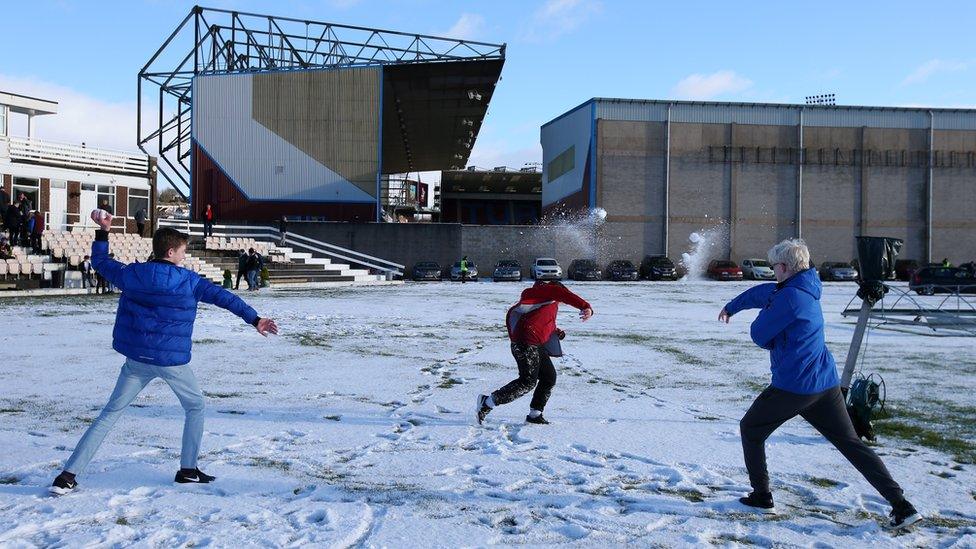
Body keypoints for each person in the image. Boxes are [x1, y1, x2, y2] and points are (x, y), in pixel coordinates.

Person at [49, 209, 278, 495]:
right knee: (195, 407)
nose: (184, 256)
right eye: (182, 251)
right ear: (170, 251)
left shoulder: (132, 274)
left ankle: (67, 476)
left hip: (137, 361)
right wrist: (255, 319)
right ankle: (188, 470)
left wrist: (103, 231)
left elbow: (100, 262)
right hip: (171, 362)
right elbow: (226, 299)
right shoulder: (189, 281)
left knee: (110, 413)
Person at [718, 238, 920, 530]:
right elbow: (764, 293)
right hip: (825, 385)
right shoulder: (804, 287)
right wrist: (733, 306)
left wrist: (771, 329)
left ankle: (762, 496)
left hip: (794, 387)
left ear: (784, 267)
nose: (773, 272)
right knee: (850, 444)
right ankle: (903, 506)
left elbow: (759, 334)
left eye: (775, 267)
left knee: (751, 429)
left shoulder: (789, 298)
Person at [477, 280, 594, 425]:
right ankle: (486, 402)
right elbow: (560, 293)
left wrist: (556, 332)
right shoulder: (546, 291)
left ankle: (535, 414)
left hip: (535, 344)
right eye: (562, 297)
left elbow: (544, 322)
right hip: (525, 343)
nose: (561, 301)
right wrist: (585, 307)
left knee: (549, 377)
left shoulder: (547, 302)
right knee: (527, 382)